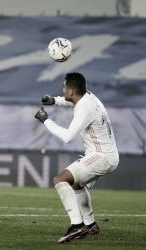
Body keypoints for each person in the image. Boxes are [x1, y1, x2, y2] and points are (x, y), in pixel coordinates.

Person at [34, 72, 119, 243]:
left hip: (101, 156)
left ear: (71, 91)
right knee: (76, 184)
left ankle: (77, 225)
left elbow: (68, 137)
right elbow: (73, 101)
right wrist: (55, 100)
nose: (63, 89)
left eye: (64, 87)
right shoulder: (88, 97)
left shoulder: (84, 107)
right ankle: (90, 223)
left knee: (60, 180)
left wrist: (46, 121)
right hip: (107, 155)